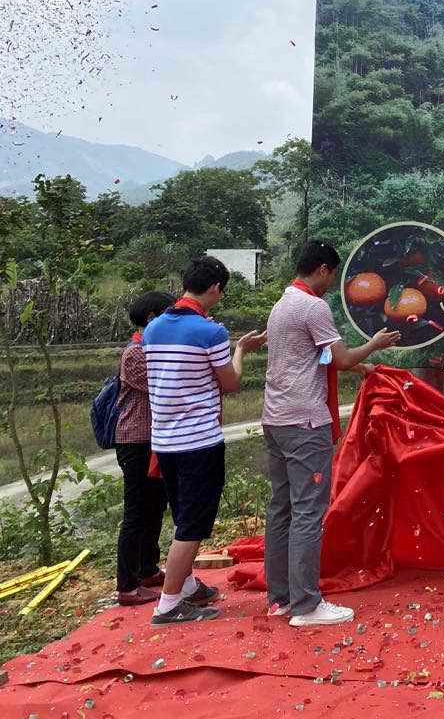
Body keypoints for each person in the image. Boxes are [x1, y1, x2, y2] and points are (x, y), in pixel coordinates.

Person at [263, 240, 400, 626]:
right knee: (308, 511)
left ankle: (281, 598)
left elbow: (314, 354)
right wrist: (373, 346)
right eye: (333, 274)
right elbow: (337, 357)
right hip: (306, 422)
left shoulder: (282, 304)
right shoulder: (313, 306)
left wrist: (359, 369)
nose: (332, 282)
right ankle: (307, 605)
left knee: (281, 509)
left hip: (276, 418)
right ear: (323, 269)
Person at [144, 255, 266, 624]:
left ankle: (185, 586)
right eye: (221, 291)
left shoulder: (153, 329)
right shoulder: (210, 332)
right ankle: (168, 605)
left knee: (183, 515)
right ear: (213, 288)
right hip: (198, 441)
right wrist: (240, 350)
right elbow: (231, 383)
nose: (220, 297)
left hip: (165, 441)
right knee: (193, 525)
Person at [113, 290, 175, 606]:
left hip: (154, 440)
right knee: (136, 510)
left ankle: (148, 568)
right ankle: (127, 584)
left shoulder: (151, 349)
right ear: (152, 319)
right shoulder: (135, 354)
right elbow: (163, 386)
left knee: (155, 505)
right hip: (135, 441)